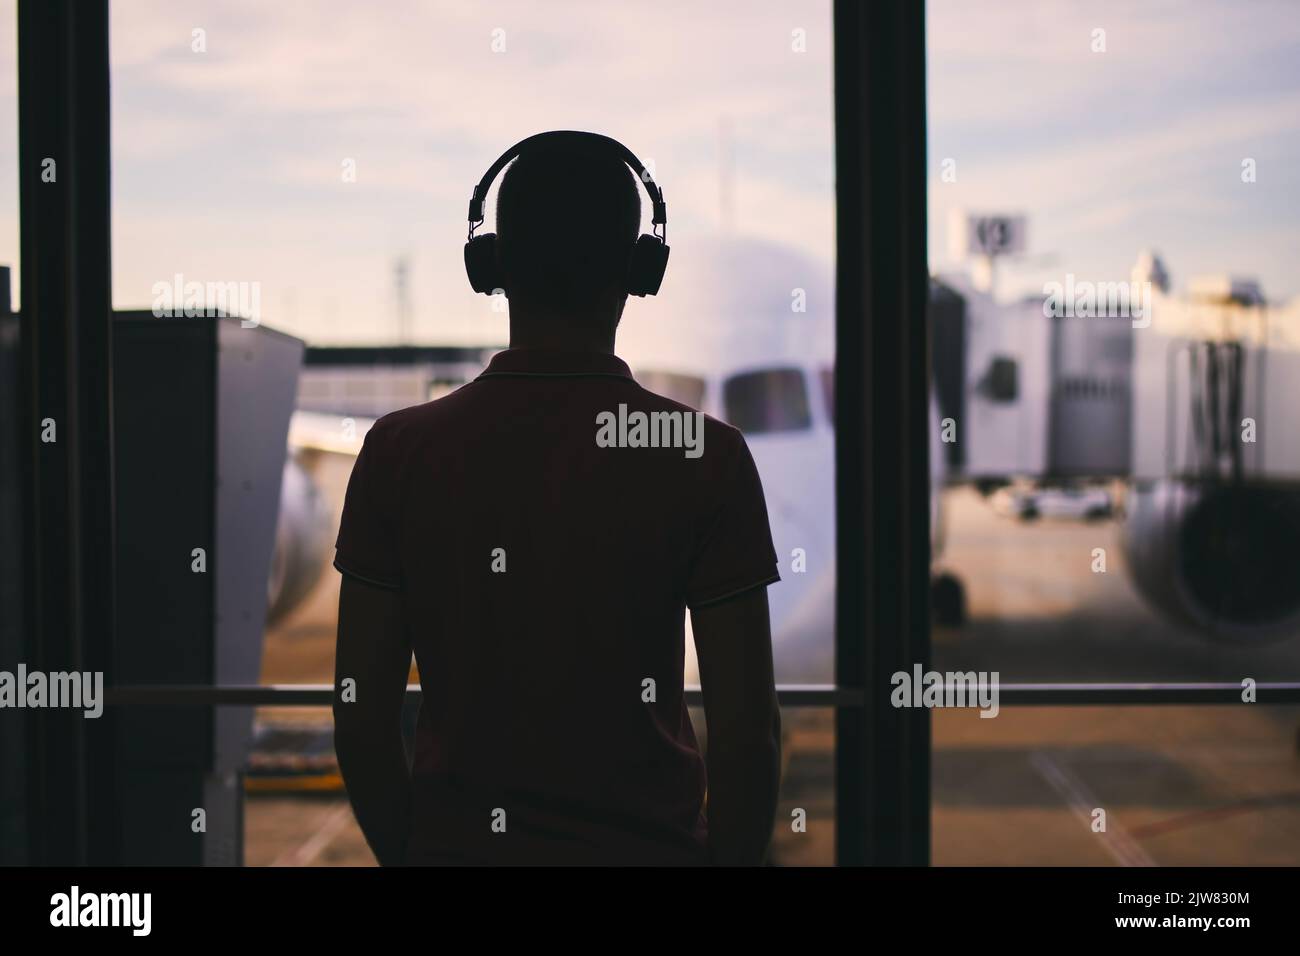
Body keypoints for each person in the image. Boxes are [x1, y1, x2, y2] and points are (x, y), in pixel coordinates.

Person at [332, 131, 782, 866]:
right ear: (639, 269)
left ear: (494, 266)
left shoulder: (398, 452)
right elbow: (747, 736)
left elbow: (359, 717)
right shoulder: (706, 457)